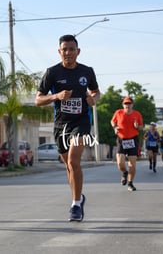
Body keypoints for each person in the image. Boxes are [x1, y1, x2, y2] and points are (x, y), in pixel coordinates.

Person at [35, 34, 100, 222]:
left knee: (73, 162)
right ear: (59, 51)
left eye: (72, 49)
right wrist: (56, 97)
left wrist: (93, 99)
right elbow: (38, 99)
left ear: (78, 51)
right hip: (61, 124)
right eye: (65, 49)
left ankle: (76, 204)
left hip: (81, 122)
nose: (68, 53)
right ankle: (78, 197)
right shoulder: (52, 72)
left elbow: (96, 92)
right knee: (68, 166)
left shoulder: (87, 71)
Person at [110, 96, 143, 191]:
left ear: (132, 105)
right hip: (121, 139)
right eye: (125, 103)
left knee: (132, 164)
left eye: (129, 103)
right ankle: (124, 172)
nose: (127, 105)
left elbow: (141, 126)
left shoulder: (137, 114)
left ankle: (130, 183)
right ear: (123, 105)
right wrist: (115, 127)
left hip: (133, 140)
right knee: (120, 163)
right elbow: (112, 121)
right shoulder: (118, 112)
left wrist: (137, 126)